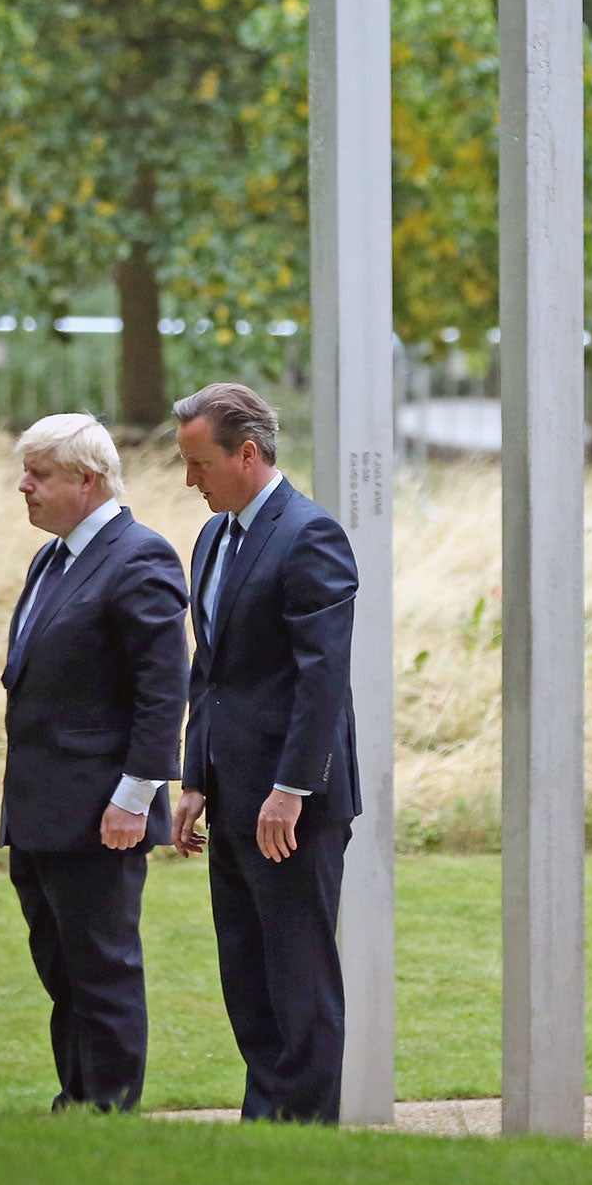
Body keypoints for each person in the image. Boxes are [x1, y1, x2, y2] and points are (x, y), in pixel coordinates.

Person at [170, 382, 360, 1123]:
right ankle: (265, 1129)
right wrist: (194, 778)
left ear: (246, 454)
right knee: (246, 973)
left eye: (199, 464)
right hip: (231, 796)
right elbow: (208, 668)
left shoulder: (310, 535)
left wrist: (291, 789)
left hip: (292, 809)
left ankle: (306, 1141)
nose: (190, 481)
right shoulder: (213, 538)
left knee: (300, 978)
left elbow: (323, 678)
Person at [0, 413, 189, 1113]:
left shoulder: (140, 556)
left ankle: (106, 1110)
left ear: (87, 481)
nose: (24, 487)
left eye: (39, 475)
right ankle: (75, 1100)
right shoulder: (53, 558)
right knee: (61, 968)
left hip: (101, 812)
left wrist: (135, 798)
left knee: (101, 968)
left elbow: (163, 689)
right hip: (40, 807)